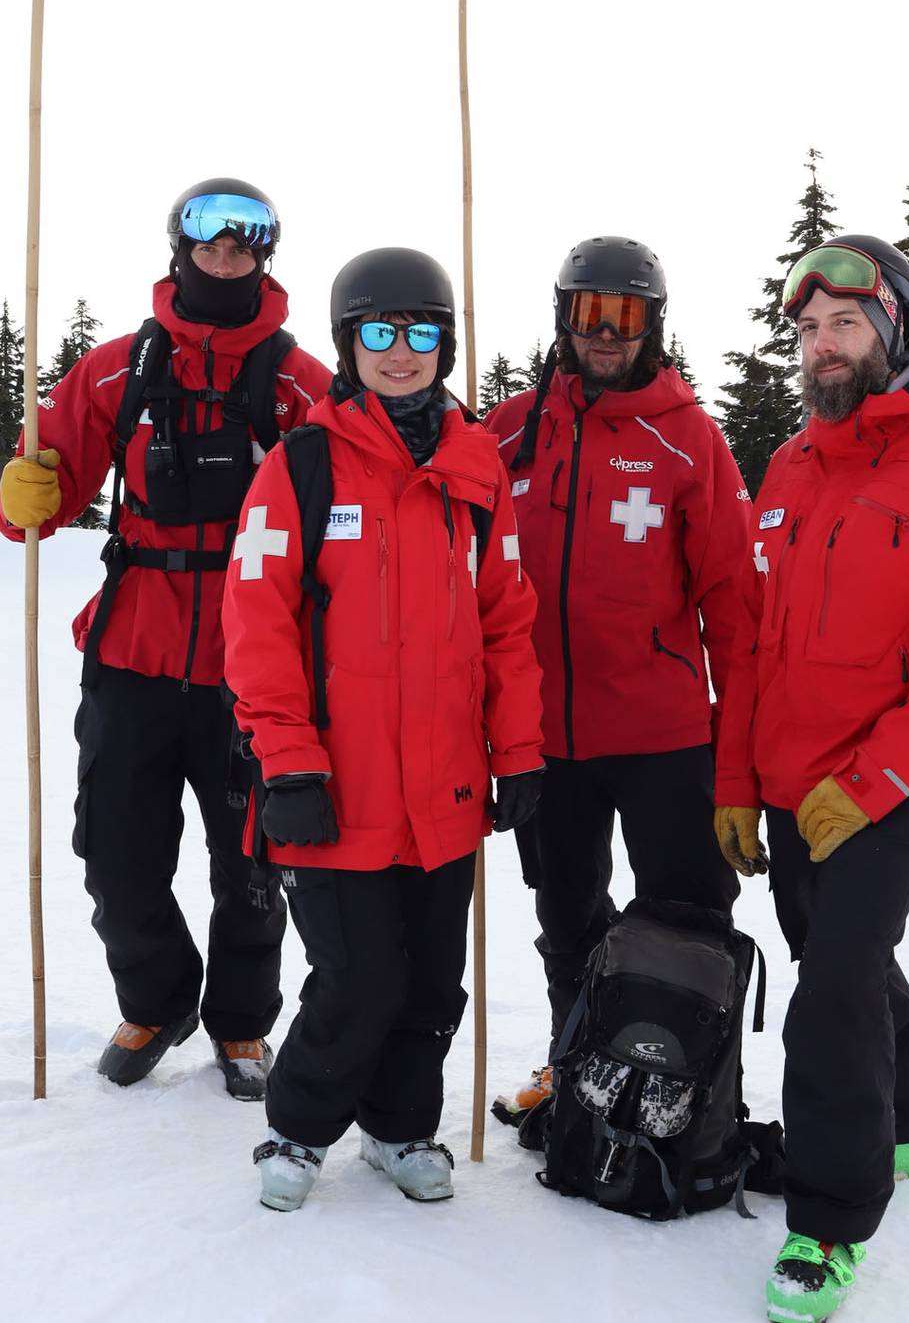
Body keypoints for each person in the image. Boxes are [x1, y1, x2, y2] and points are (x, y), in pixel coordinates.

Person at [712, 235, 909, 1322]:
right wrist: (734, 779)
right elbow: (752, 643)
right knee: (842, 957)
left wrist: (881, 776)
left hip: (897, 785)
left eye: (843, 323)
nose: (822, 346)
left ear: (895, 325)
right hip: (793, 785)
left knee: (833, 986)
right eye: (807, 329)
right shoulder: (790, 466)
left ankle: (830, 1219)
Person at [221, 246, 545, 1211]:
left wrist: (519, 752)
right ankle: (299, 1126)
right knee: (357, 976)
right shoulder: (301, 467)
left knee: (433, 984)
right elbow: (256, 624)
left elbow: (508, 625)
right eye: (379, 332)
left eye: (421, 333)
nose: (400, 352)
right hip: (335, 786)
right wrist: (288, 761)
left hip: (445, 788)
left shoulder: (477, 469)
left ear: (444, 344)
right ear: (347, 342)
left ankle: (402, 1130)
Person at [0, 179, 333, 1097]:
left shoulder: (303, 383)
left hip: (255, 660)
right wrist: (21, 493)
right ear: (178, 246)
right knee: (115, 848)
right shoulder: (116, 369)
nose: (224, 256)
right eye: (207, 238)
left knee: (253, 859)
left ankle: (239, 1024)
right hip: (132, 647)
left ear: (266, 253)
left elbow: (361, 492)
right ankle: (156, 998)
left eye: (245, 241)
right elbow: (51, 481)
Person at [483, 234, 753, 1118]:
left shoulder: (688, 441)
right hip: (545, 738)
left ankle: (694, 1089)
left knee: (685, 917)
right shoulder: (509, 432)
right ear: (564, 318)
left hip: (663, 734)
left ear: (653, 326)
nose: (606, 333)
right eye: (590, 312)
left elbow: (733, 607)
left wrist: (738, 756)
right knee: (566, 921)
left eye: (626, 316)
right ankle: (577, 1069)